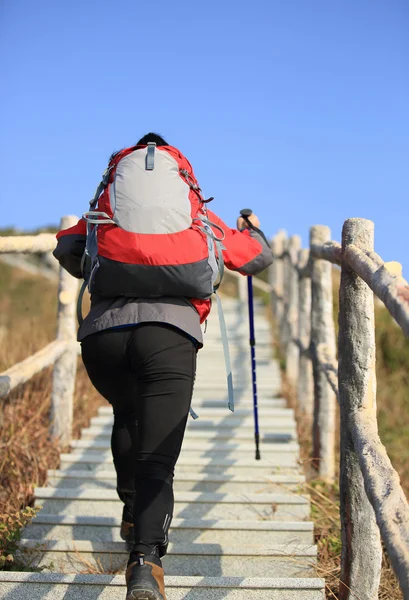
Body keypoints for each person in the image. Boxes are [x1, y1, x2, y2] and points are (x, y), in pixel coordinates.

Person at [53, 133, 273, 600]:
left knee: (126, 413)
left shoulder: (103, 211)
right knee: (157, 455)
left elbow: (68, 249)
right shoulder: (198, 216)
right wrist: (252, 229)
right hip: (170, 336)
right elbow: (256, 259)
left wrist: (116, 263)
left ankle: (132, 514)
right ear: (183, 178)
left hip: (104, 335)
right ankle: (146, 560)